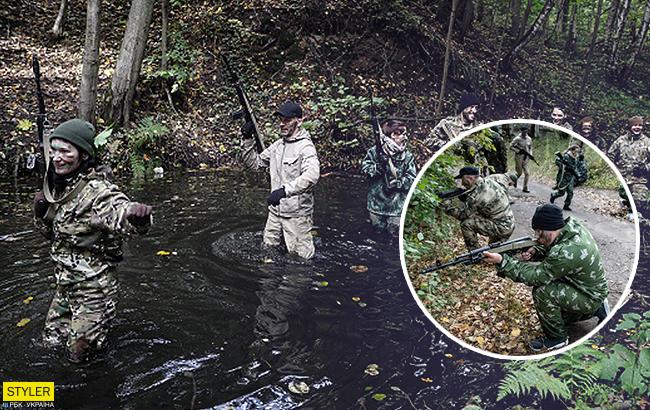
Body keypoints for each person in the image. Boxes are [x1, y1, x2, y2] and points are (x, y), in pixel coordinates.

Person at [33, 119, 152, 363]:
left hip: (93, 290)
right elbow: (51, 235)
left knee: (83, 358)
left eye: (65, 151)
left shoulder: (97, 191)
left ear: (83, 155)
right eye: (53, 150)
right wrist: (41, 212)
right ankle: (43, 398)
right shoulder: (58, 186)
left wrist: (138, 218)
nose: (56, 157)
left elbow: (120, 212)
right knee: (50, 345)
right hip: (65, 285)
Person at [482, 204, 609, 352]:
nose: (538, 238)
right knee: (561, 316)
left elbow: (535, 277)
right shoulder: (572, 228)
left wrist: (503, 262)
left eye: (540, 233)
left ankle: (558, 339)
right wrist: (536, 250)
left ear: (550, 228)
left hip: (589, 295)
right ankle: (597, 308)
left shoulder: (566, 251)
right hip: (589, 288)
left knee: (543, 291)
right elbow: (554, 245)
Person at [241, 101, 320, 259]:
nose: (282, 124)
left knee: (302, 261)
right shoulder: (277, 146)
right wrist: (247, 138)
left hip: (297, 217)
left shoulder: (306, 147)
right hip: (275, 214)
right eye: (281, 120)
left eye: (287, 120)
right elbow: (255, 164)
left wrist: (285, 191)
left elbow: (312, 175)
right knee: (268, 254)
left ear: (299, 120)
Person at [361, 119, 416, 236]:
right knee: (376, 237)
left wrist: (399, 183)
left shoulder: (407, 156)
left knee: (393, 237)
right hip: (376, 206)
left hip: (397, 208)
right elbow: (365, 169)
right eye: (402, 134)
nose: (405, 138)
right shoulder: (375, 152)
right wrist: (378, 168)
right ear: (392, 135)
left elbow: (412, 178)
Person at [441, 166, 515, 250]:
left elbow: (463, 216)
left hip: (501, 227)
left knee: (466, 224)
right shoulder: (489, 181)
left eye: (463, 179)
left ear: (470, 178)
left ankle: (475, 253)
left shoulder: (475, 196)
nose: (462, 183)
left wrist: (447, 207)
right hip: (508, 223)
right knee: (492, 252)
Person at [608, 116, 650, 213]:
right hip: (622, 179)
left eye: (640, 125)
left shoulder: (647, 142)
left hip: (639, 180)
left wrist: (645, 168)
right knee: (618, 207)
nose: (637, 127)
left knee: (641, 202)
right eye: (635, 125)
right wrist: (615, 171)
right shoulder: (621, 140)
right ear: (630, 126)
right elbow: (610, 155)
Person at [551, 145, 580, 211]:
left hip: (571, 177)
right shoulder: (566, 156)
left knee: (570, 192)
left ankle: (566, 205)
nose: (576, 153)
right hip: (563, 176)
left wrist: (576, 173)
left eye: (577, 151)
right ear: (572, 150)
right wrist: (564, 167)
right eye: (575, 151)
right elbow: (557, 161)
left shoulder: (576, 157)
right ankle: (553, 195)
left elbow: (575, 166)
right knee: (562, 192)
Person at [509, 125, 533, 193]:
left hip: (526, 158)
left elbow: (531, 147)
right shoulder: (517, 139)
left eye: (526, 132)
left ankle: (525, 187)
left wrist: (531, 154)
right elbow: (511, 146)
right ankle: (513, 181)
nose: (525, 133)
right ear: (521, 131)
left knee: (527, 173)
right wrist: (518, 151)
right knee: (519, 173)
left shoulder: (529, 139)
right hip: (519, 157)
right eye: (524, 132)